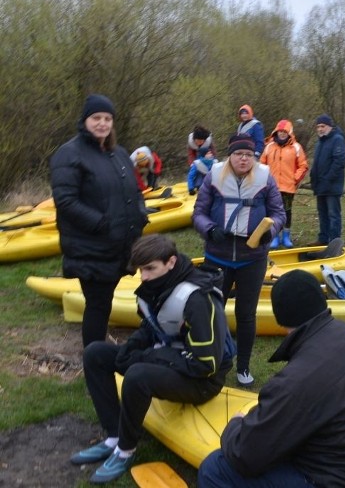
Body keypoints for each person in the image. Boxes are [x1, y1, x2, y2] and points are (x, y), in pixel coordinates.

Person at [197, 269, 345, 488]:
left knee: (216, 468)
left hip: (333, 480)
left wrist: (235, 424)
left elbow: (245, 455)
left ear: (281, 319)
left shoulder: (297, 380)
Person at [69, 234, 234, 484]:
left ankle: (125, 450)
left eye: (149, 269)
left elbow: (206, 364)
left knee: (137, 375)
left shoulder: (199, 298)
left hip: (203, 380)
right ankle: (114, 436)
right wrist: (132, 348)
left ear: (171, 262)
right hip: (173, 361)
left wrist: (147, 357)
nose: (143, 276)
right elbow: (153, 326)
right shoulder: (155, 286)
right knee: (95, 353)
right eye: (140, 270)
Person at [50, 94, 148, 347]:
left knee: (105, 302)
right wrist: (101, 224)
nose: (102, 123)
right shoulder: (69, 154)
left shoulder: (118, 153)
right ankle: (94, 365)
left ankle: (102, 351)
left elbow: (134, 190)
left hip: (120, 244)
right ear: (85, 121)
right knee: (98, 305)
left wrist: (141, 214)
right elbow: (66, 200)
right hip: (91, 246)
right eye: (96, 118)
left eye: (107, 118)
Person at [192, 133, 286, 387]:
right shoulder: (214, 176)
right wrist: (210, 229)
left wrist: (271, 230)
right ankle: (213, 360)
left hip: (252, 258)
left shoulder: (265, 178)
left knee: (246, 314)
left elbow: (279, 213)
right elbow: (199, 212)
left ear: (253, 157)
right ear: (230, 155)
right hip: (218, 255)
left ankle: (243, 366)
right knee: (213, 312)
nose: (243, 159)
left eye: (248, 155)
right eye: (238, 154)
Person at [260, 119, 309, 248]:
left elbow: (303, 166)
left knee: (287, 212)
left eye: (284, 132)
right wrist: (265, 179)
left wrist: (295, 178)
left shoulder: (296, 147)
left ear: (289, 133)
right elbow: (261, 165)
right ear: (276, 132)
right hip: (271, 186)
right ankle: (275, 236)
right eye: (280, 131)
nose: (282, 134)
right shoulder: (269, 146)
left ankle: (286, 236)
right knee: (273, 212)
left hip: (288, 187)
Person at [309, 114, 345, 246]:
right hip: (320, 186)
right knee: (322, 213)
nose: (320, 129)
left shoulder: (337, 139)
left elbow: (339, 162)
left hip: (332, 186)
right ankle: (323, 239)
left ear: (329, 126)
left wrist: (328, 179)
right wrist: (314, 178)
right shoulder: (320, 141)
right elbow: (317, 163)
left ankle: (334, 242)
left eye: (323, 126)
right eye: (318, 126)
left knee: (333, 215)